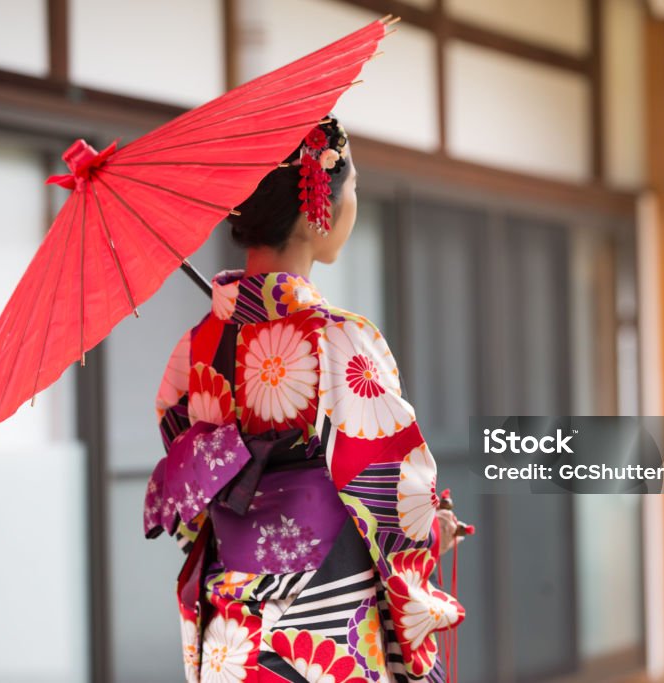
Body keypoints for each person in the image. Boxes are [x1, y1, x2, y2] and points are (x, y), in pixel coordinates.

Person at [143, 114, 472, 683]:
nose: (356, 203)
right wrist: (430, 534)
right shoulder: (337, 337)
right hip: (323, 617)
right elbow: (391, 491)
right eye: (356, 188)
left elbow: (192, 506)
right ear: (320, 205)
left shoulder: (194, 348)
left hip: (231, 625)